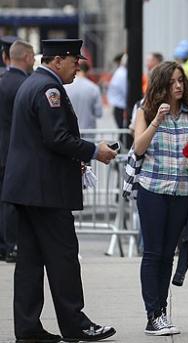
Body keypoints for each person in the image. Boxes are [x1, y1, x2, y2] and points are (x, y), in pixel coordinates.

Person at [2, 38, 117, 343]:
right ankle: (75, 324)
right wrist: (94, 151)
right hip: (45, 192)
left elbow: (41, 142)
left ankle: (27, 328)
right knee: (63, 257)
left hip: (29, 189)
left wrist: (71, 160)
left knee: (30, 261)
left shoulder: (33, 83)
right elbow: (56, 137)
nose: (78, 67)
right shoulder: (48, 89)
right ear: (57, 61)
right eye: (74, 61)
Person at [132, 61, 188, 336]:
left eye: (181, 81)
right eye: (173, 81)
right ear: (161, 84)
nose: (178, 86)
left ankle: (161, 310)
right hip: (152, 188)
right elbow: (138, 147)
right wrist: (157, 121)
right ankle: (153, 314)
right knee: (153, 252)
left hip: (181, 191)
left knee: (168, 254)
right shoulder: (146, 111)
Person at [0, 40, 34, 264]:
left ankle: (4, 246)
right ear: (28, 58)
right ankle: (11, 245)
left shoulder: (2, 82)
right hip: (15, 152)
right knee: (12, 201)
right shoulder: (25, 85)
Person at [64, 61, 103, 130]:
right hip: (89, 131)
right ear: (87, 72)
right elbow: (98, 113)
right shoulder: (93, 88)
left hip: (70, 131)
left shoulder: (66, 87)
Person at [107, 52, 127, 130]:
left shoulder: (120, 72)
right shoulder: (122, 73)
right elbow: (125, 91)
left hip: (119, 106)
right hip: (121, 106)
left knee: (122, 131)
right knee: (123, 131)